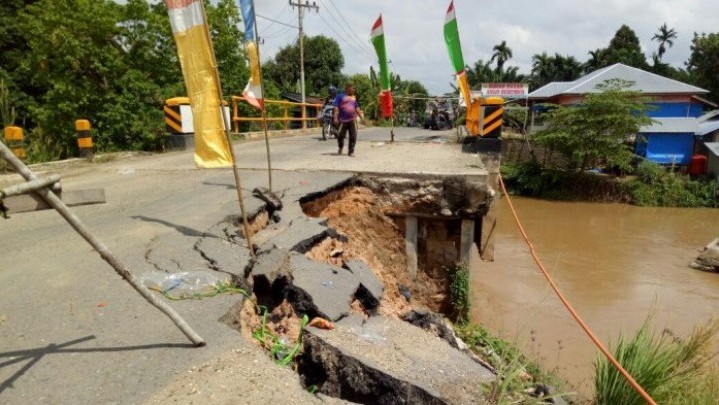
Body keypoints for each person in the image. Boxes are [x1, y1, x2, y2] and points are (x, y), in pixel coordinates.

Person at [333, 83, 364, 157]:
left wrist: (362, 117)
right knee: (340, 135)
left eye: (354, 88)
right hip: (342, 120)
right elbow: (336, 108)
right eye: (353, 88)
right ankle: (340, 146)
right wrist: (335, 117)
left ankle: (351, 151)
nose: (354, 90)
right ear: (348, 89)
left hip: (352, 120)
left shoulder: (354, 98)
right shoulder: (340, 96)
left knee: (353, 136)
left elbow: (357, 108)